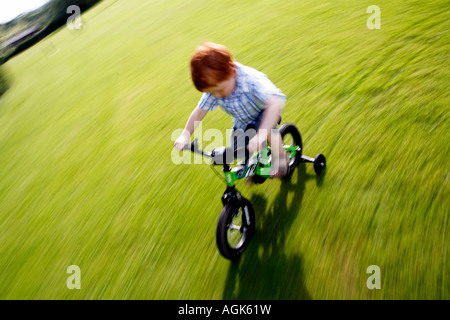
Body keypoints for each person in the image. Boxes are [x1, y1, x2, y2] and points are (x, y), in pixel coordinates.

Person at [173, 42, 288, 177]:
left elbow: (275, 102)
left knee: (268, 132)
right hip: (242, 121)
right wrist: (185, 135)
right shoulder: (216, 87)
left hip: (265, 113)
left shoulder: (251, 80)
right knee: (237, 150)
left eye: (219, 90)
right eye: (211, 92)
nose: (216, 95)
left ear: (232, 72)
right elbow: (199, 112)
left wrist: (261, 134)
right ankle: (249, 167)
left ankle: (280, 157)